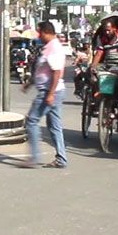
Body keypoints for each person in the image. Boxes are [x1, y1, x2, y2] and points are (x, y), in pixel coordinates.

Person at [22, 21, 68, 169]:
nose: (38, 35)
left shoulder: (54, 48)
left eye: (39, 32)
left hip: (49, 91)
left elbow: (56, 72)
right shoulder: (48, 47)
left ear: (46, 32)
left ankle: (34, 157)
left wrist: (50, 94)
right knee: (54, 125)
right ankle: (61, 158)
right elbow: (42, 70)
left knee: (31, 121)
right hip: (53, 91)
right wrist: (30, 84)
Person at [91, 19, 118, 134]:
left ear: (114, 29)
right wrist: (93, 66)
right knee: (94, 76)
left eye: (109, 30)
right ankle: (99, 100)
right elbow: (99, 53)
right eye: (105, 30)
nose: (107, 33)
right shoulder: (103, 38)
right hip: (107, 66)